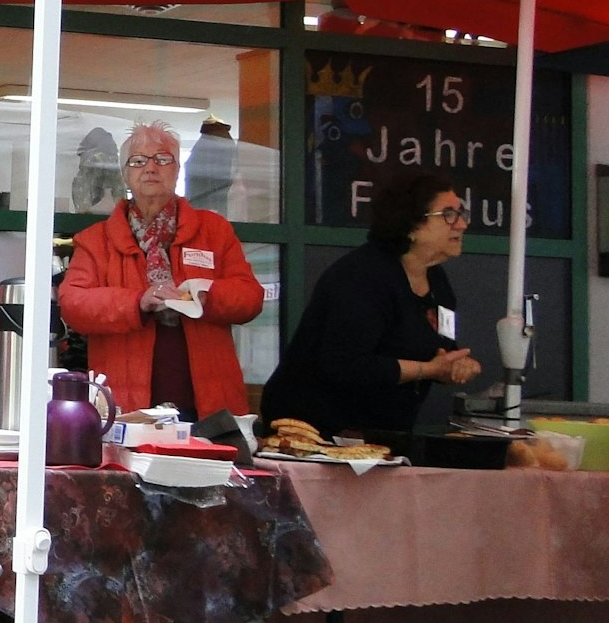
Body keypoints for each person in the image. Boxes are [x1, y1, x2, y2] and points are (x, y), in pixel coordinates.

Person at [58, 121, 264, 420]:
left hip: (210, 406)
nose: (150, 168)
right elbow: (74, 304)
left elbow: (250, 297)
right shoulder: (95, 241)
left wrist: (208, 294)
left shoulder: (214, 231)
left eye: (162, 159)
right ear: (126, 175)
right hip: (127, 405)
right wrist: (137, 302)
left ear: (177, 170)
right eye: (138, 161)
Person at [261, 173, 481, 435]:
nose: (461, 225)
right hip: (315, 430)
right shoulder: (362, 277)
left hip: (384, 433)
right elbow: (346, 365)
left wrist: (456, 365)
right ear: (411, 225)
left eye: (461, 213)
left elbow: (442, 349)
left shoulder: (437, 279)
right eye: (448, 214)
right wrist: (429, 369)